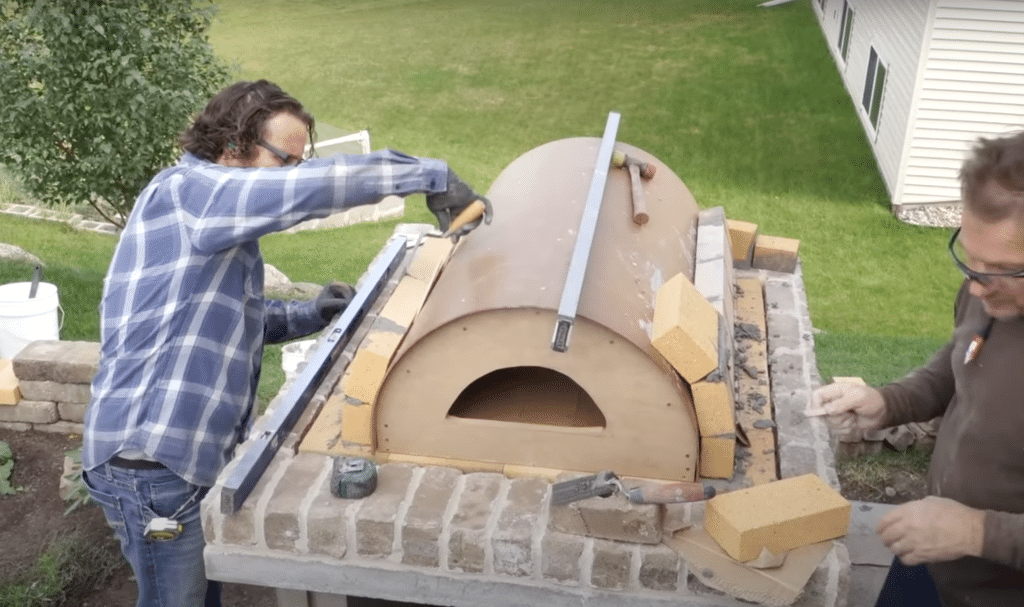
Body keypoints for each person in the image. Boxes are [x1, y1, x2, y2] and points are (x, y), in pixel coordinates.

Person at [80, 79, 492, 607]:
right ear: (233, 145)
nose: (293, 174)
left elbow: (232, 323)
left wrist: (311, 314)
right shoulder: (190, 194)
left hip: (175, 464)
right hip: (151, 464)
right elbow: (305, 193)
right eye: (286, 160)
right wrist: (429, 177)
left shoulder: (217, 225)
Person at [811, 130, 1024, 607]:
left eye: (999, 269)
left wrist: (976, 531)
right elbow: (960, 367)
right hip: (932, 556)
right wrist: (888, 402)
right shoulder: (989, 293)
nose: (975, 288)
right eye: (969, 258)